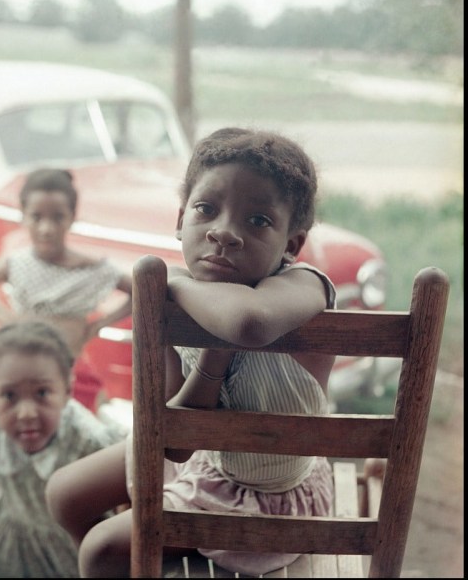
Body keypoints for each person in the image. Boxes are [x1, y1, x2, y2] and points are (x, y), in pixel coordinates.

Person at [44, 127, 337, 577]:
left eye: (258, 220)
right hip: (204, 458)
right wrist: (212, 362)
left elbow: (248, 323)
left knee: (102, 551)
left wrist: (173, 282)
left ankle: (134, 555)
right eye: (207, 209)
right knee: (65, 493)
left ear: (293, 245)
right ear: (181, 219)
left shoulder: (304, 285)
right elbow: (175, 445)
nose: (224, 233)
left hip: (270, 498)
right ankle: (142, 561)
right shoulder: (174, 305)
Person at [0, 320, 124, 577]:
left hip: (73, 554)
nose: (27, 413)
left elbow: (122, 508)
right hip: (13, 548)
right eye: (9, 396)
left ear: (67, 391)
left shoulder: (89, 439)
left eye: (42, 393)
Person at [0, 167, 133, 405]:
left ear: (72, 218)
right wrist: (9, 320)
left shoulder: (92, 269)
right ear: (23, 216)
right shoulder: (17, 264)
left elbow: (140, 291)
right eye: (37, 217)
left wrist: (98, 327)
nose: (46, 228)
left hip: (70, 372)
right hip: (23, 372)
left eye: (58, 217)